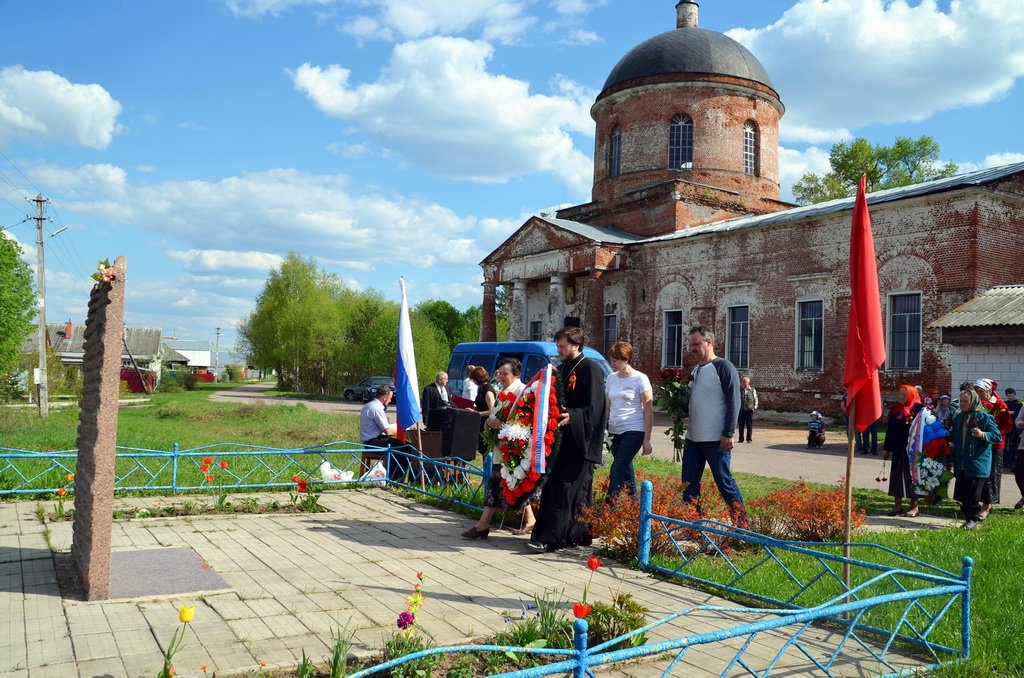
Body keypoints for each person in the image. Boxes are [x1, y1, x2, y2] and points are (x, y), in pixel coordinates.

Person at [527, 326, 607, 553]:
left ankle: (551, 539)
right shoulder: (561, 369)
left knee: (566, 488)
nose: (559, 350)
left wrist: (572, 415)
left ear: (576, 345)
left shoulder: (591, 369)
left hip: (581, 440)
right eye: (558, 346)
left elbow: (596, 407)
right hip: (562, 439)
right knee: (572, 489)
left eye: (563, 346)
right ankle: (578, 535)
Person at [461, 358, 535, 538]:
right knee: (503, 484)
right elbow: (494, 414)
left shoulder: (522, 392)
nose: (500, 377)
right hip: (501, 449)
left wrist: (499, 425)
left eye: (505, 373)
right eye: (499, 373)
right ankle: (487, 523)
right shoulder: (503, 392)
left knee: (508, 483)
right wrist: (491, 423)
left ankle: (484, 524)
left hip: (513, 450)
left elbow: (523, 423)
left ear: (516, 375)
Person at [680, 325, 746, 525]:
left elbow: (734, 401)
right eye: (691, 344)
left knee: (724, 482)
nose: (692, 348)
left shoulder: (723, 367)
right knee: (688, 484)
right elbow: (693, 400)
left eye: (696, 344)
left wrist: (728, 432)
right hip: (693, 438)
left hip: (716, 439)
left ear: (708, 342)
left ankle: (741, 524)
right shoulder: (696, 370)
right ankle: (692, 523)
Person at [603, 341, 654, 502]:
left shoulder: (640, 379)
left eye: (616, 360)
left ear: (626, 359)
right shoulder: (611, 378)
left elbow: (648, 410)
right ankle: (634, 504)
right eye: (611, 360)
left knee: (617, 469)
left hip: (634, 429)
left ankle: (609, 506)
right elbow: (607, 407)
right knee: (625, 469)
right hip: (614, 430)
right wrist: (602, 430)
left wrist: (647, 439)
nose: (613, 364)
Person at [951, 389, 1002, 529]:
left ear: (973, 401)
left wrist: (982, 435)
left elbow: (997, 436)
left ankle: (972, 519)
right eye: (961, 401)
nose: (962, 404)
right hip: (961, 462)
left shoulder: (984, 417)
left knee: (973, 493)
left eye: (966, 401)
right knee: (963, 492)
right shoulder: (958, 418)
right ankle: (968, 517)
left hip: (977, 463)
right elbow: (954, 436)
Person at [973, 378, 1012, 520]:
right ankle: (975, 502)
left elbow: (1008, 425)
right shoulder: (975, 404)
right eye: (976, 391)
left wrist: (992, 435)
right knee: (977, 474)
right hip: (978, 444)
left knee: (992, 475)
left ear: (988, 391)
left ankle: (987, 505)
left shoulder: (1000, 406)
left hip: (995, 445)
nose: (978, 394)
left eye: (980, 391)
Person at [882, 385, 921, 517]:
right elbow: (890, 430)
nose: (901, 397)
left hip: (913, 450)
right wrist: (887, 448)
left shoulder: (918, 410)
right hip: (898, 448)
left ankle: (914, 506)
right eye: (900, 394)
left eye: (904, 395)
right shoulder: (895, 409)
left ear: (911, 395)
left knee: (912, 477)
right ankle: (897, 506)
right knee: (896, 476)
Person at [468, 366, 497, 456]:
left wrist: (477, 413)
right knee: (482, 451)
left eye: (473, 379)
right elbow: (482, 406)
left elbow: (492, 411)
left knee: (486, 452)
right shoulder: (481, 389)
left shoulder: (488, 391)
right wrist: (474, 409)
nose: (473, 382)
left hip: (487, 426)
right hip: (481, 424)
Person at [1003, 387, 1021, 468]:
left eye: (1012, 395)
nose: (1011, 397)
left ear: (1015, 395)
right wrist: (1011, 412)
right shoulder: (1004, 403)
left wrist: (1009, 412)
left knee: (1012, 444)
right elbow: (1003, 414)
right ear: (1006, 395)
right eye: (1009, 395)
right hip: (1006, 425)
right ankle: (1004, 462)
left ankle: (1011, 462)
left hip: (1014, 426)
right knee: (1004, 443)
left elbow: (1017, 414)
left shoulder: (1018, 403)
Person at [738, 376, 758, 443]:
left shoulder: (752, 390)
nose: (743, 383)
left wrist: (754, 407)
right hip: (741, 409)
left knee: (749, 425)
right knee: (741, 425)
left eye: (745, 382)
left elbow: (755, 399)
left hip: (749, 410)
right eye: (743, 382)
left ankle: (749, 439)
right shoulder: (739, 390)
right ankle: (741, 438)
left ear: (748, 383)